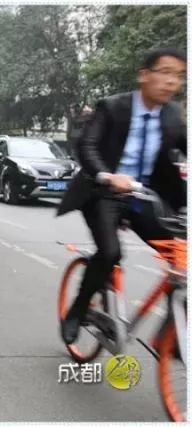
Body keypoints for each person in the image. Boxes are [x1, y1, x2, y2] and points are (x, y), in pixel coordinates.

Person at [57, 47, 187, 344]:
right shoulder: (112, 107)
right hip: (102, 193)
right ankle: (77, 311)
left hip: (144, 198)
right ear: (144, 75)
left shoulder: (172, 114)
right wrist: (108, 176)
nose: (172, 82)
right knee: (110, 253)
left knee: (179, 257)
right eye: (165, 72)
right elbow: (87, 146)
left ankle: (170, 335)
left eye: (179, 76)